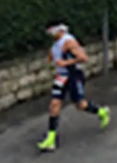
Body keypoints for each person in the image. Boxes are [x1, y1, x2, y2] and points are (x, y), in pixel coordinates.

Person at [38, 23, 110, 152]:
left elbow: (83, 58)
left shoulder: (68, 41)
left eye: (52, 31)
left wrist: (65, 63)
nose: (50, 34)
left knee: (80, 105)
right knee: (54, 104)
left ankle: (101, 112)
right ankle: (51, 139)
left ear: (60, 30)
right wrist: (52, 64)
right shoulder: (54, 45)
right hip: (61, 77)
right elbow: (52, 60)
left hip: (73, 75)